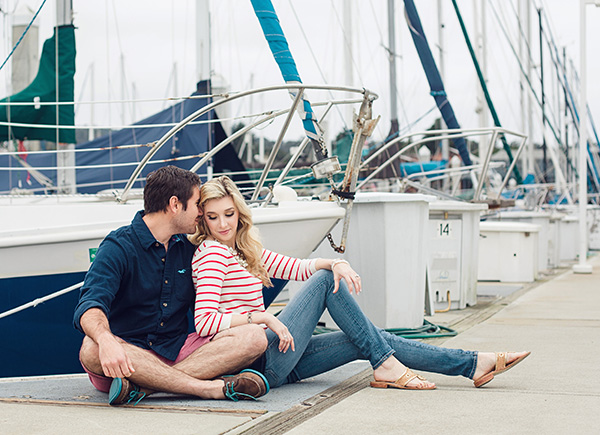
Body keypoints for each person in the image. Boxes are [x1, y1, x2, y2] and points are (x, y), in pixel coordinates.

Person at [189, 175, 530, 390]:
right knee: (327, 283)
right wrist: (261, 317)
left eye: (229, 214)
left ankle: (470, 364)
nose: (222, 224)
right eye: (213, 216)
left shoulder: (243, 249)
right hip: (256, 363)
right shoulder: (211, 253)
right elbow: (204, 321)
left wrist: (337, 261)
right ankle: (388, 365)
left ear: (240, 212)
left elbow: (298, 266)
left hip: (284, 364)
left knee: (364, 337)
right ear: (202, 218)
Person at [73, 166, 270, 406]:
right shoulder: (118, 246)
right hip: (127, 358)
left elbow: (210, 314)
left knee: (254, 337)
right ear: (175, 204)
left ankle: (145, 389)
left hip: (177, 354)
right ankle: (204, 388)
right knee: (91, 348)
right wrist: (106, 341)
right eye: (198, 204)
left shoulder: (189, 250)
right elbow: (90, 306)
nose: (201, 212)